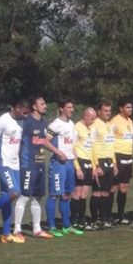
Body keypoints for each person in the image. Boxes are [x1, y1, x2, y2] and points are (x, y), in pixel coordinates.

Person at [15, 96, 67, 239]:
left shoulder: (43, 122)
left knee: (37, 197)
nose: (45, 106)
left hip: (40, 164)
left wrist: (57, 151)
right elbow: (17, 140)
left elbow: (44, 142)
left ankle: (37, 229)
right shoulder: (26, 122)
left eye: (45, 103)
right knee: (24, 196)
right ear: (34, 107)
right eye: (42, 104)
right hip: (28, 164)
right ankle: (17, 230)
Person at [0, 99, 29, 244]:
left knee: (7, 197)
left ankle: (5, 234)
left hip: (15, 164)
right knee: (14, 192)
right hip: (2, 162)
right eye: (24, 112)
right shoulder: (2, 121)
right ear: (17, 107)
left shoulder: (21, 122)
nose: (26, 116)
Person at [45, 98, 83, 236]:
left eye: (72, 107)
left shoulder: (71, 123)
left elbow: (70, 143)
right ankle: (52, 227)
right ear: (61, 109)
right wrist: (58, 152)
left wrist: (73, 153)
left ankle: (66, 226)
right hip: (58, 164)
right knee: (54, 195)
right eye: (69, 107)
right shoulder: (55, 124)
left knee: (66, 195)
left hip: (69, 163)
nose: (72, 110)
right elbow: (45, 141)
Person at [90, 101, 117, 228]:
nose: (108, 113)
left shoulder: (109, 125)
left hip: (109, 162)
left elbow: (111, 146)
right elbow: (92, 146)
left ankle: (104, 219)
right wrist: (96, 165)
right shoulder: (94, 124)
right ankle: (94, 220)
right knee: (97, 192)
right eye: (105, 111)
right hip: (99, 161)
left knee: (106, 192)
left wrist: (114, 163)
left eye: (109, 111)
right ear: (99, 112)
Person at [109, 99, 133, 224]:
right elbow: (108, 138)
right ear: (121, 108)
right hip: (117, 156)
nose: (130, 109)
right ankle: (107, 215)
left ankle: (120, 216)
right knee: (113, 187)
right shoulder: (115, 121)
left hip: (128, 157)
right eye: (127, 107)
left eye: (131, 107)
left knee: (124, 187)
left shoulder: (130, 121)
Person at [72, 107, 98, 231]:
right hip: (80, 161)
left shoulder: (92, 128)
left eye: (94, 119)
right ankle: (73, 221)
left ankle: (82, 220)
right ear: (85, 116)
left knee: (85, 193)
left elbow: (92, 148)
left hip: (89, 163)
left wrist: (94, 167)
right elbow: (72, 148)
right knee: (77, 192)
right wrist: (77, 168)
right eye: (91, 119)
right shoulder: (77, 127)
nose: (93, 121)